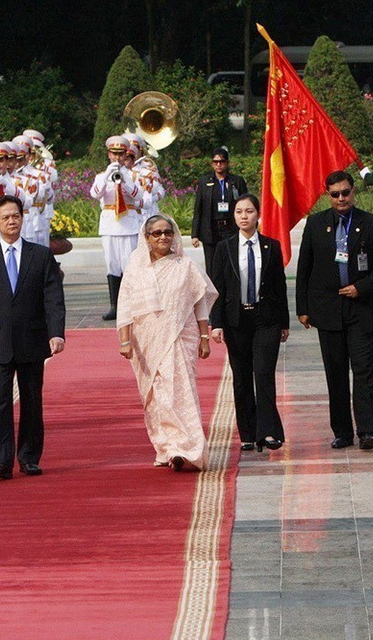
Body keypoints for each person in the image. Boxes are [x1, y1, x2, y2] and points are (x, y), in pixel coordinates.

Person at [0, 195, 66, 480]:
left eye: (16, 215)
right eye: (5, 217)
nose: (12, 221)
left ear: (23, 218)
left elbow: (53, 298)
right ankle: (0, 461)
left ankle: (29, 457)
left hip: (32, 340)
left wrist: (56, 333)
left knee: (32, 400)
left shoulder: (41, 255)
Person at [295, 170, 373, 450]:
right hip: (327, 310)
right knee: (335, 372)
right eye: (335, 194)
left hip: (361, 309)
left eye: (346, 192)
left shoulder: (371, 224)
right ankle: (342, 431)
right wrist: (303, 307)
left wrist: (362, 287)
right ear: (328, 195)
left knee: (363, 371)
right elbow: (304, 268)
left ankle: (368, 431)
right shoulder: (316, 224)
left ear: (353, 192)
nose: (342, 198)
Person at [117, 214, 218, 471]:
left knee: (180, 392)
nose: (163, 237)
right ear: (147, 238)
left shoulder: (185, 266)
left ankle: (186, 447)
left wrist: (205, 338)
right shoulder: (136, 268)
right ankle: (167, 446)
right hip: (146, 341)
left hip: (181, 337)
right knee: (156, 395)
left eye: (168, 232)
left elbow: (200, 304)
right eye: (157, 233)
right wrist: (125, 341)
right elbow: (126, 306)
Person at [210, 195, 289, 452]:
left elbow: (279, 286)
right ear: (234, 216)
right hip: (236, 320)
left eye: (249, 211)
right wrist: (217, 323)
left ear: (258, 215)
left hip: (266, 319)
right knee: (242, 377)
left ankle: (268, 431)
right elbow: (218, 287)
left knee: (264, 373)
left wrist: (284, 322)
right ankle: (247, 432)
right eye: (239, 212)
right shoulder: (225, 248)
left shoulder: (271, 246)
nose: (244, 216)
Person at [91, 135, 148, 321]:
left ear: (126, 155)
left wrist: (124, 179)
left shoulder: (133, 175)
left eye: (121, 154)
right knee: (112, 265)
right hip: (109, 224)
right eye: (113, 154)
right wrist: (108, 174)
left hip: (128, 224)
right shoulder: (102, 176)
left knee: (129, 266)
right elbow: (94, 193)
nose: (117, 158)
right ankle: (115, 305)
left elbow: (138, 195)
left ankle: (132, 305)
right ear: (109, 155)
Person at [191, 147, 248, 275]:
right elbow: (198, 209)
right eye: (215, 162)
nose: (218, 165)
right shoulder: (204, 181)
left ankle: (230, 293)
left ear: (227, 163)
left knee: (230, 265)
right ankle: (214, 294)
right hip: (211, 230)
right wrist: (195, 234)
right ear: (212, 163)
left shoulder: (237, 181)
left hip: (230, 229)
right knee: (212, 267)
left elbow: (246, 204)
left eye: (222, 161)